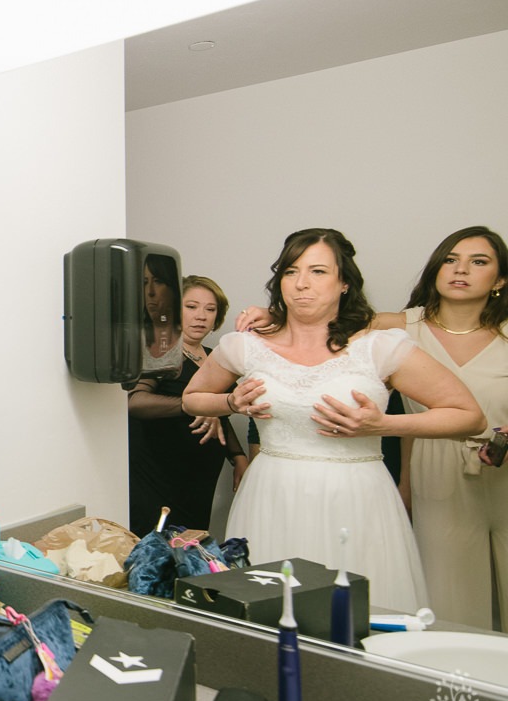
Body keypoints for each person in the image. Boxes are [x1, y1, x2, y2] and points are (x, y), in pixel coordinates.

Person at [182, 228, 484, 613]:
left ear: (344, 283)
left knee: (358, 618)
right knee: (268, 614)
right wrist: (230, 401)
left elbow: (468, 416)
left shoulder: (379, 348)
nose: (301, 284)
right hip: (272, 495)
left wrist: (383, 426)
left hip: (357, 499)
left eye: (318, 271)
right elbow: (192, 399)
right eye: (291, 272)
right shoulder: (246, 346)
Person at [376, 226, 507, 630]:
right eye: (451, 260)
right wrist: (265, 319)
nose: (460, 269)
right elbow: (313, 332)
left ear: (500, 280)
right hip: (436, 472)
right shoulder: (395, 328)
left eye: (478, 262)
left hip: (503, 468)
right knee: (450, 603)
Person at [128, 275, 248, 532]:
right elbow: (136, 402)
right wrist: (192, 405)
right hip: (159, 477)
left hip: (199, 479)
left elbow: (221, 415)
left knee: (191, 554)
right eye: (191, 307)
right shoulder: (158, 351)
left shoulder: (215, 358)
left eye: (210, 309)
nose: (201, 316)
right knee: (157, 555)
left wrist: (237, 456)